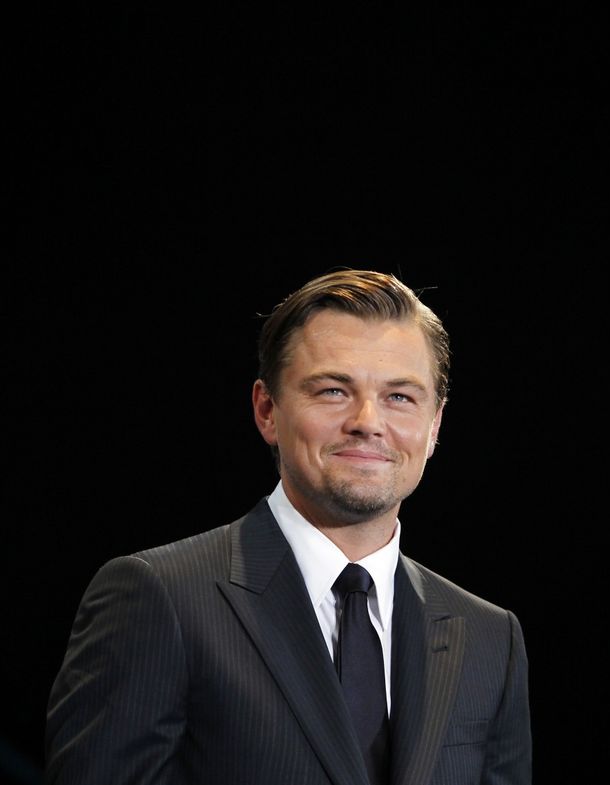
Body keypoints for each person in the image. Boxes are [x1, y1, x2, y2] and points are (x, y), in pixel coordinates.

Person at [45, 268, 532, 785]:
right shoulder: (159, 597)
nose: (368, 421)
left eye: (400, 397)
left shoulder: (490, 638)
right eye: (333, 390)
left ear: (434, 425)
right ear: (266, 410)